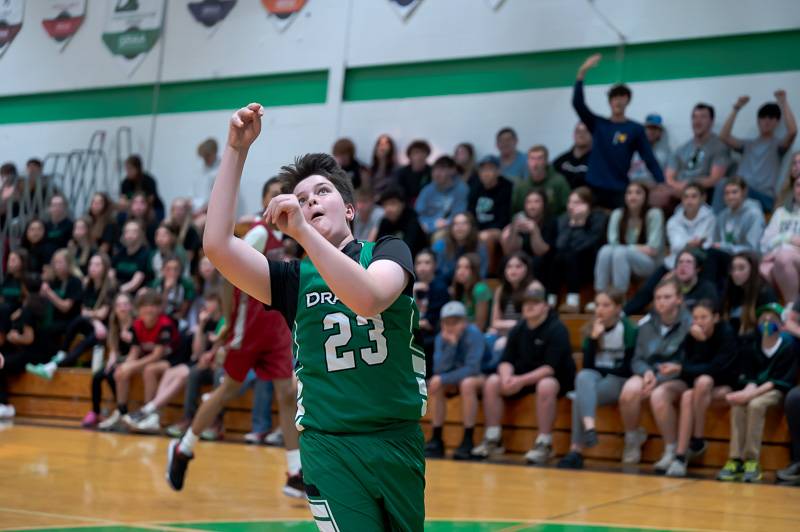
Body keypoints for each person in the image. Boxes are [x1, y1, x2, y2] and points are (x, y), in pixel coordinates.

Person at [181, 103, 427, 528]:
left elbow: (368, 299)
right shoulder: (293, 280)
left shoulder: (389, 251)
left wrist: (305, 232)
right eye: (300, 198)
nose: (310, 201)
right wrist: (236, 150)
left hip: (395, 438)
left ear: (349, 209)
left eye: (322, 192)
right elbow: (218, 246)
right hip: (328, 444)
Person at [472, 283, 575, 464]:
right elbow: (506, 360)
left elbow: (549, 368)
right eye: (526, 303)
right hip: (522, 378)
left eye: (535, 303)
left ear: (545, 306)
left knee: (546, 385)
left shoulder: (557, 328)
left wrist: (519, 380)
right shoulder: (519, 328)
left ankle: (545, 443)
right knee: (493, 381)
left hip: (552, 380)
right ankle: (493, 438)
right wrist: (506, 377)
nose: (529, 306)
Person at [718, 303, 798, 482]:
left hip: (775, 391)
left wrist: (749, 395)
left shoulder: (789, 346)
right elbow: (750, 378)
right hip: (756, 389)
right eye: (764, 320)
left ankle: (751, 460)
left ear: (782, 325)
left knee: (755, 405)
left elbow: (775, 382)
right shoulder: (751, 345)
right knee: (738, 406)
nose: (767, 323)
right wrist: (743, 394)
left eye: (772, 320)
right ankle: (735, 459)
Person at [573, 54, 664, 209]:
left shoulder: (635, 129)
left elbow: (649, 158)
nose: (618, 100)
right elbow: (578, 104)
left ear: (628, 101)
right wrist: (581, 73)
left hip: (619, 188)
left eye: (622, 97)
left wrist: (661, 183)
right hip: (594, 187)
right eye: (615, 97)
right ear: (610, 101)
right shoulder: (598, 124)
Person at [558, 290, 637, 469]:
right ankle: (589, 427)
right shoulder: (591, 328)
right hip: (597, 378)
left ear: (618, 308)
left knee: (580, 396)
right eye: (598, 305)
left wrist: (603, 369)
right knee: (583, 377)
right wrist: (594, 339)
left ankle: (576, 450)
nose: (600, 309)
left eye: (606, 305)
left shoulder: (629, 328)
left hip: (619, 380)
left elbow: (626, 369)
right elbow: (587, 366)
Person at [124, 294, 225, 433]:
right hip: (198, 361)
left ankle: (148, 410)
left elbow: (218, 349)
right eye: (206, 302)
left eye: (211, 302)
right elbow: (197, 352)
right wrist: (201, 326)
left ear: (220, 304)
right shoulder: (205, 321)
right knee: (171, 372)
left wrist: (211, 355)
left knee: (183, 375)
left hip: (214, 364)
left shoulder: (224, 322)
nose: (207, 306)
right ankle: (152, 413)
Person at [618, 278, 691, 466]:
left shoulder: (689, 325)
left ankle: (671, 449)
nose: (661, 302)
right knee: (629, 391)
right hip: (652, 374)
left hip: (678, 377)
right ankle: (633, 439)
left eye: (667, 297)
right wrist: (647, 373)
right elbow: (637, 358)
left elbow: (688, 362)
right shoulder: (646, 324)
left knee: (658, 396)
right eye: (658, 297)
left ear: (679, 299)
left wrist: (657, 380)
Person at [665, 300, 739, 477]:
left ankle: (698, 438)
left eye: (704, 317)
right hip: (700, 389)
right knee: (689, 395)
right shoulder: (692, 335)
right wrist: (699, 343)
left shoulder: (727, 334)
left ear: (716, 317)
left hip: (727, 386)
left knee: (703, 381)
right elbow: (687, 369)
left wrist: (704, 343)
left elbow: (716, 369)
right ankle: (681, 456)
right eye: (695, 317)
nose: (698, 322)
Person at [624, 183, 715, 315]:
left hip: (700, 265)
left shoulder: (710, 218)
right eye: (686, 197)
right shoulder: (673, 220)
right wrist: (692, 243)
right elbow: (677, 245)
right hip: (672, 263)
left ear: (703, 198)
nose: (689, 200)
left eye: (694, 196)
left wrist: (688, 244)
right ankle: (625, 313)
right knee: (648, 288)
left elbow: (706, 245)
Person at [99, 289, 179, 430]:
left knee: (149, 370)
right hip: (150, 359)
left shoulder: (165, 324)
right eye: (145, 306)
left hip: (172, 361)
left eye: (153, 305)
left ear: (160, 308)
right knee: (121, 370)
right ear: (139, 309)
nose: (149, 309)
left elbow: (157, 355)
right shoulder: (137, 325)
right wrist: (126, 366)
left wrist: (132, 366)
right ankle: (121, 412)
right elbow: (134, 351)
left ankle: (150, 415)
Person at [27, 253, 114, 380]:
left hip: (106, 329)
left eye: (97, 264)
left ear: (105, 267)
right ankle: (61, 354)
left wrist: (92, 316)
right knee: (77, 320)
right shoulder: (88, 285)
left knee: (85, 340)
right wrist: (95, 320)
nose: (93, 267)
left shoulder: (110, 287)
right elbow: (84, 311)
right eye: (91, 264)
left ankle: (54, 365)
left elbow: (103, 314)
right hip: (94, 324)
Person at [424, 301, 486, 460]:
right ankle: (436, 438)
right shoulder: (441, 337)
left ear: (465, 321)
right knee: (436, 385)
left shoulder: (475, 334)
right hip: (455, 376)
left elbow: (473, 368)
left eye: (455, 322)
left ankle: (468, 438)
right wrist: (451, 345)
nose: (450, 326)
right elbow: (439, 369)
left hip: (484, 375)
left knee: (467, 384)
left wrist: (444, 377)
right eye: (447, 322)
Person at [720, 91, 797, 212]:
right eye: (763, 117)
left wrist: (783, 102)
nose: (766, 121)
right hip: (740, 192)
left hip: (763, 197)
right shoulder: (747, 144)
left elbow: (792, 131)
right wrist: (736, 108)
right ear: (758, 120)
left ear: (777, 122)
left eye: (771, 118)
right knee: (723, 184)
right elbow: (724, 137)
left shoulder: (777, 145)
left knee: (736, 192)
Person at [594, 182, 664, 296]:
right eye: (629, 193)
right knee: (605, 250)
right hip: (620, 259)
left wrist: (628, 248)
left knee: (620, 252)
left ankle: (618, 297)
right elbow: (612, 243)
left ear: (645, 196)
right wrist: (634, 248)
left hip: (649, 262)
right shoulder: (618, 214)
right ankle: (600, 294)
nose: (633, 196)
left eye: (638, 193)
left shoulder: (654, 214)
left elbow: (653, 249)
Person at [662, 103, 730, 210]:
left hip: (703, 191)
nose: (697, 121)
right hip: (678, 188)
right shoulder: (681, 149)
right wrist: (678, 186)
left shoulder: (719, 147)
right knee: (655, 193)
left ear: (711, 121)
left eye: (703, 117)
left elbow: (715, 179)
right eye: (694, 117)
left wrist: (688, 186)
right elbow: (669, 177)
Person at [550, 187, 607, 313]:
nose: (572, 206)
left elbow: (588, 244)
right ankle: (551, 300)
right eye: (570, 202)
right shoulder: (563, 219)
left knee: (571, 253)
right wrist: (573, 225)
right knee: (557, 255)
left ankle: (573, 301)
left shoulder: (598, 218)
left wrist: (581, 224)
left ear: (588, 204)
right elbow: (560, 244)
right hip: (566, 265)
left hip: (590, 264)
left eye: (577, 203)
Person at [81, 293, 134, 429]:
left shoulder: (135, 324)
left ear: (131, 307)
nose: (122, 308)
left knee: (112, 376)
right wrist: (111, 361)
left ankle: (121, 410)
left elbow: (136, 350)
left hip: (132, 359)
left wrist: (131, 341)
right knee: (98, 376)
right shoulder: (114, 324)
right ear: (115, 308)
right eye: (119, 305)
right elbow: (114, 349)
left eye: (125, 304)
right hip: (119, 358)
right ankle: (95, 412)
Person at [704, 177, 765, 289]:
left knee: (712, 256)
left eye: (734, 192)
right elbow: (715, 242)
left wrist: (724, 246)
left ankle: (709, 295)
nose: (730, 197)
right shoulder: (722, 216)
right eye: (727, 193)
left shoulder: (754, 214)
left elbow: (752, 248)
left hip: (748, 259)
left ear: (744, 192)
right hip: (725, 257)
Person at [0, 275, 47, 419]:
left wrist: (14, 338)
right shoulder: (29, 306)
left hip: (31, 354)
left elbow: (29, 338)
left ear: (24, 288)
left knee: (1, 364)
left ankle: (4, 405)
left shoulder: (28, 310)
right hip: (30, 351)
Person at [501, 189, 556, 285]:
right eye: (528, 202)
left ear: (544, 204)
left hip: (545, 261)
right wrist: (514, 230)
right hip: (523, 259)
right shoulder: (520, 219)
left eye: (536, 201)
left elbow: (541, 251)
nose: (532, 206)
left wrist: (535, 231)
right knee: (508, 260)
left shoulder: (551, 222)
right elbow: (510, 250)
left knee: (536, 262)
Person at [759, 173, 800, 302]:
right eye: (798, 185)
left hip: (792, 258)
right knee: (763, 268)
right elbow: (765, 243)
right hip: (778, 257)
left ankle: (791, 306)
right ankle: (772, 313)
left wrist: (780, 243)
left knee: (784, 257)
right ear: (793, 189)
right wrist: (787, 238)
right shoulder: (780, 213)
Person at [721, 252, 778, 346]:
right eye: (733, 269)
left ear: (753, 270)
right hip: (734, 344)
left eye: (741, 268)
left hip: (755, 345)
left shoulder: (765, 293)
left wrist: (748, 336)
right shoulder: (731, 290)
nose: (735, 273)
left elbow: (772, 329)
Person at [468, 156, 513, 263]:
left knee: (484, 237)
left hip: (499, 228)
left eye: (490, 169)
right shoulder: (475, 186)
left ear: (498, 171)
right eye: (483, 169)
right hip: (477, 227)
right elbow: (470, 212)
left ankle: (486, 274)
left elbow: (504, 217)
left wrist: (483, 231)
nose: (486, 173)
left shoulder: (507, 187)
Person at [412, 249, 449, 376]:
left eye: (427, 263)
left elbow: (430, 323)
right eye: (419, 263)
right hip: (414, 328)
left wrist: (414, 322)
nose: (422, 267)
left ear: (435, 265)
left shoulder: (440, 288)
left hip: (432, 333)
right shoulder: (409, 285)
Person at [415, 155, 469, 239]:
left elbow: (459, 214)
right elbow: (418, 212)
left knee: (440, 236)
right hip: (427, 226)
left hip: (449, 227)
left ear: (452, 170)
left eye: (442, 169)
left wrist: (443, 223)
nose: (437, 173)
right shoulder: (428, 189)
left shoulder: (461, 189)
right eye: (435, 169)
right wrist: (429, 224)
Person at [511, 145, 570, 217]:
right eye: (532, 159)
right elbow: (514, 211)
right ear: (527, 162)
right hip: (527, 224)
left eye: (539, 159)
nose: (535, 163)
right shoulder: (521, 186)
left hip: (553, 225)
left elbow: (568, 209)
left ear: (546, 161)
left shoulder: (559, 182)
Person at [432, 212, 488, 283]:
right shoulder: (440, 245)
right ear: (451, 227)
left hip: (471, 287)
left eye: (464, 224)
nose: (459, 227)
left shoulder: (480, 246)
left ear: (471, 227)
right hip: (446, 286)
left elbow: (482, 273)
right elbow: (436, 272)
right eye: (456, 224)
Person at [374, 186, 429, 258]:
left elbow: (408, 248)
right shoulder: (384, 222)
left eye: (392, 203)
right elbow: (378, 246)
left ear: (402, 204)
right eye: (385, 205)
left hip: (415, 262)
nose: (388, 209)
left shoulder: (412, 219)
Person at [450, 253, 492, 332]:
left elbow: (480, 326)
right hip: (461, 331)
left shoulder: (480, 289)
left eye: (467, 267)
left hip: (480, 333)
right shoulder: (459, 290)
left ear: (474, 271)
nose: (461, 271)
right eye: (458, 267)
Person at [629, 114, 671, 186]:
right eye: (648, 128)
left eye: (655, 128)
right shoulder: (631, 151)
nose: (651, 131)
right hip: (631, 188)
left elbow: (668, 178)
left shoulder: (666, 155)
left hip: (654, 189)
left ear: (660, 133)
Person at [119, 155, 165, 220]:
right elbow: (122, 201)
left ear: (138, 168)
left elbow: (151, 199)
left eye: (130, 169)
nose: (128, 171)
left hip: (153, 208)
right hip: (132, 208)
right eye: (126, 169)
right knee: (121, 216)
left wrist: (138, 204)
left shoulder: (148, 180)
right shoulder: (125, 182)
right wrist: (133, 205)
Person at [111, 220, 151, 295]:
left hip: (135, 293)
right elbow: (111, 272)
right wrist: (113, 286)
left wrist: (118, 291)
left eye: (134, 232)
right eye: (127, 232)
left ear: (140, 234)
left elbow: (135, 282)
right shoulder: (120, 253)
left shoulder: (145, 254)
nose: (130, 235)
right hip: (118, 290)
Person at [553, 122, 592, 189]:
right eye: (578, 131)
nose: (581, 135)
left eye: (585, 131)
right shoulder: (561, 161)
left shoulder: (598, 163)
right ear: (573, 135)